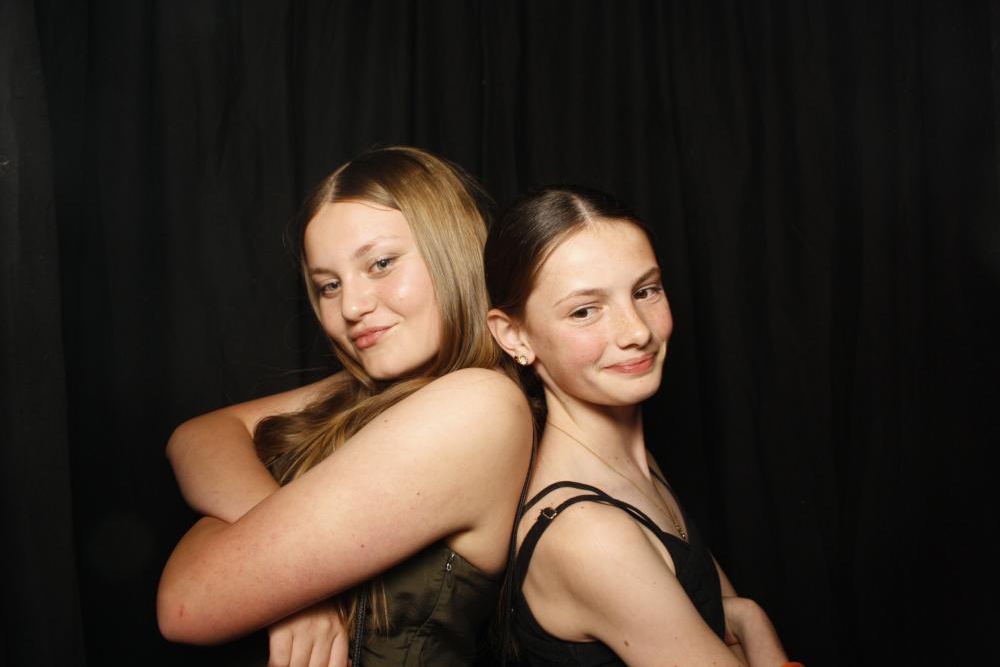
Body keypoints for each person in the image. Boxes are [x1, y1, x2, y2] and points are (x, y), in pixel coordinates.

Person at [157, 146, 534, 666]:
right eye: (328, 285)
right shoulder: (377, 387)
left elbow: (187, 602)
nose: (351, 307)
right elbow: (198, 435)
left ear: (454, 251)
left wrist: (276, 574)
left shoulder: (478, 404)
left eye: (381, 264)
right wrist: (292, 583)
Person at [484, 185, 798, 666]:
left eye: (645, 291)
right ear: (515, 336)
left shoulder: (628, 464)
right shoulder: (588, 532)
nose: (637, 331)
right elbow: (728, 621)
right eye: (585, 310)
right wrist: (752, 618)